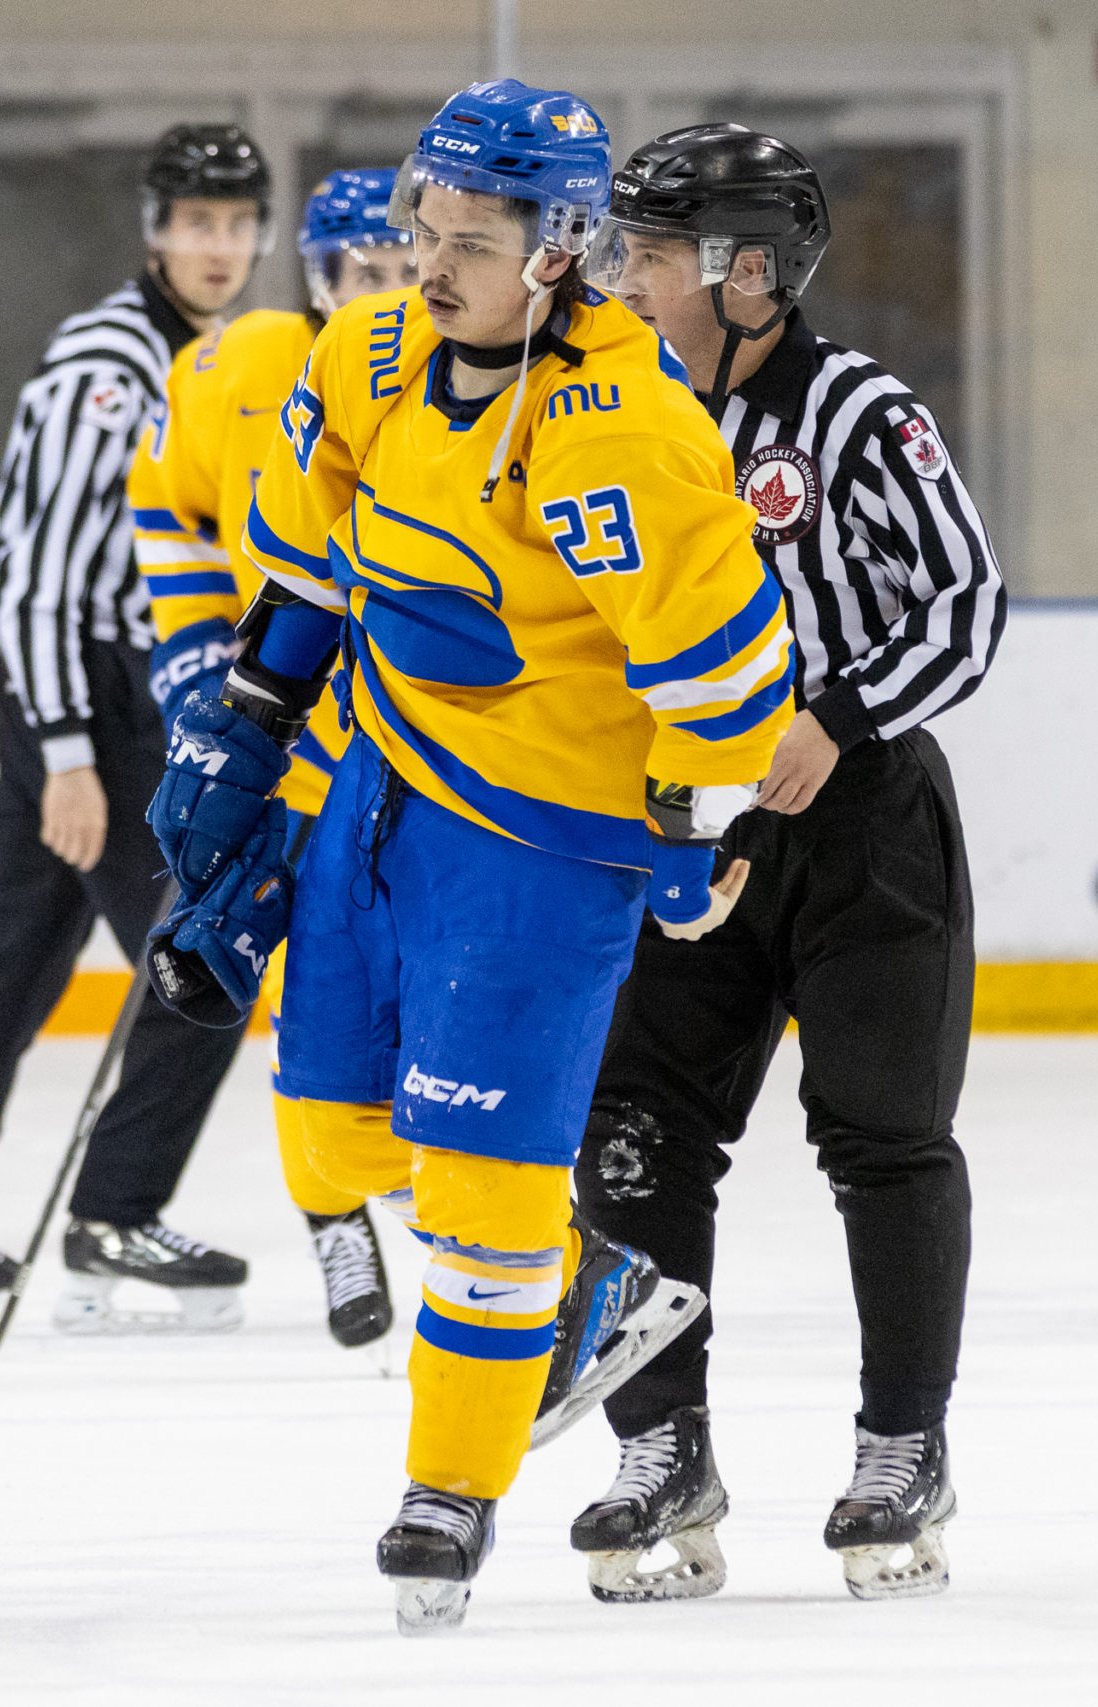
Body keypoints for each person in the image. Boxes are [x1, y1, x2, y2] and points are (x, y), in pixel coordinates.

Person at [144, 81, 794, 1630]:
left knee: (485, 1184)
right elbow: (308, 562)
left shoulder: (627, 432)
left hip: (547, 844)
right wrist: (244, 730)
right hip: (379, 788)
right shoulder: (362, 356)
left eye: (470, 240)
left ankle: (450, 1481)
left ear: (563, 249)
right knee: (331, 1137)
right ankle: (603, 1286)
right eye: (423, 231)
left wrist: (693, 834)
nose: (428, 265)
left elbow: (720, 673)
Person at [567, 124, 1005, 1605]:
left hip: (864, 820)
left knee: (881, 1133)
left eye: (646, 252)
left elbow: (967, 603)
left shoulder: (859, 414)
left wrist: (837, 715)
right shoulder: (609, 417)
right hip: (685, 820)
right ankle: (661, 1445)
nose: (621, 277)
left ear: (746, 272)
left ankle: (903, 1443)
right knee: (634, 1124)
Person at [0, 125, 271, 1332]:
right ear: (154, 228)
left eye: (237, 223)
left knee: (12, 966)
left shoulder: (231, 358)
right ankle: (112, 1220)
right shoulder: (104, 360)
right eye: (196, 221)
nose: (217, 245)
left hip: (143, 691)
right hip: (83, 693)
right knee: (205, 958)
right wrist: (67, 755)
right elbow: (25, 577)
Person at [126, 168, 417, 1350]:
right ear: (318, 278)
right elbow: (169, 512)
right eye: (366, 274)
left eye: (407, 271)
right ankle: (333, 1212)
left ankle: (435, 1196)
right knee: (308, 1005)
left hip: (423, 750)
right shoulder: (235, 368)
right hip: (290, 741)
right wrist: (204, 675)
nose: (390, 292)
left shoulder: (463, 380)